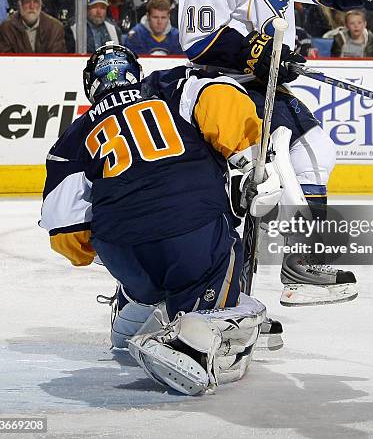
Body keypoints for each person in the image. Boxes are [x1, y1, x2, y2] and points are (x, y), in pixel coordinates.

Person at [178, 0, 373, 306]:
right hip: (217, 87)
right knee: (249, 193)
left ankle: (301, 266)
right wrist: (252, 51)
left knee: (316, 152)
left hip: (264, 85)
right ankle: (223, 301)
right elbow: (198, 40)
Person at [39, 42, 281, 394]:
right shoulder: (171, 87)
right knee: (223, 257)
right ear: (134, 72)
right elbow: (220, 97)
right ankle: (197, 336)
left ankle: (130, 318)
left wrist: (107, 242)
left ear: (91, 86)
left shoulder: (71, 137)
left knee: (143, 273)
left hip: (122, 250)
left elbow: (67, 233)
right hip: (192, 229)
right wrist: (251, 157)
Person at [0, 0, 65, 53]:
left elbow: (57, 60)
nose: (32, 7)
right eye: (27, 2)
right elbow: (6, 60)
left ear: (41, 5)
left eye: (36, 2)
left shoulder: (55, 28)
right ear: (19, 5)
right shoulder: (6, 28)